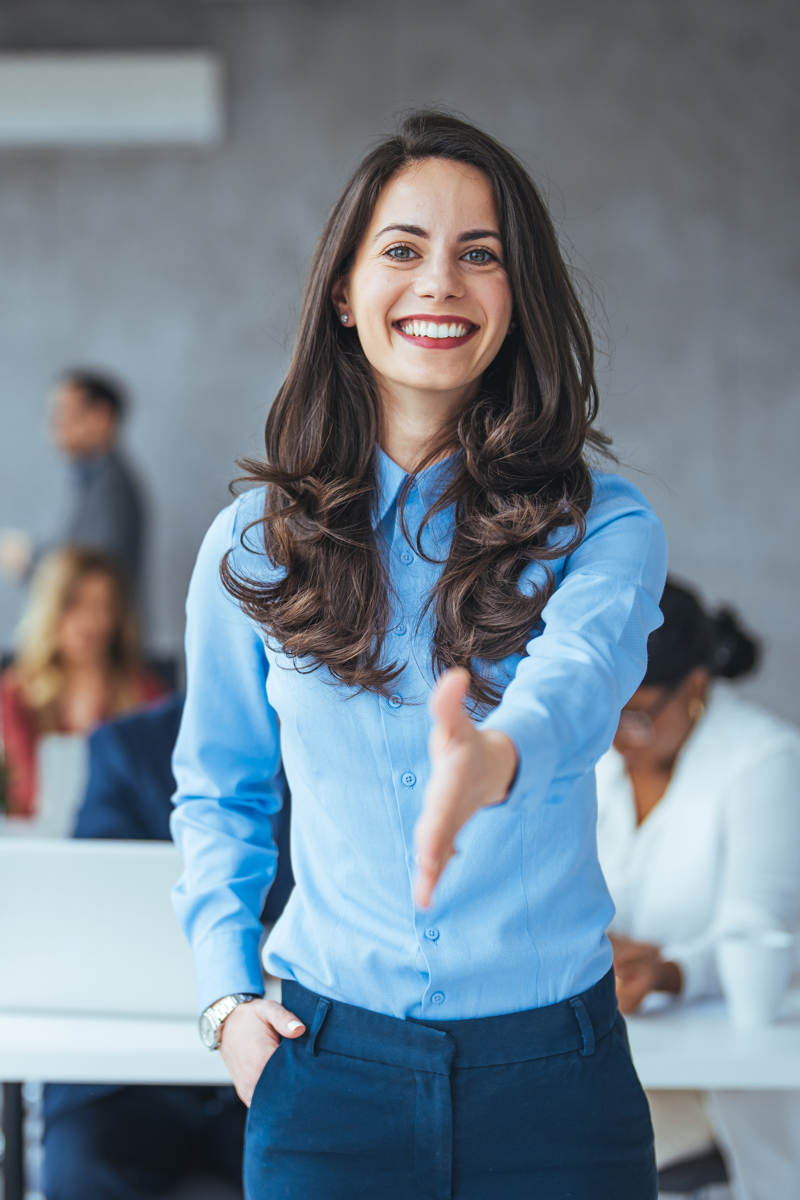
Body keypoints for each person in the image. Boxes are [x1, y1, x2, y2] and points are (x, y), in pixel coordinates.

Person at [171, 110, 668, 1199]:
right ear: (345, 295)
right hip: (321, 1073)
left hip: (555, 1086)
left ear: (516, 296)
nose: (438, 282)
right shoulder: (253, 544)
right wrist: (224, 1006)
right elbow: (218, 792)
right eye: (401, 249)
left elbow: (578, 681)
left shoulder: (606, 525)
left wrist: (495, 759)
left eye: (477, 254)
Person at [43, 693, 294, 1200]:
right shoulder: (128, 746)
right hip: (130, 1073)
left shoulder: (329, 743)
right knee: (82, 1164)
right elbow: (99, 905)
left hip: (280, 1061)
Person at [596, 578, 800, 1200]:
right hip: (622, 1060)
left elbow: (757, 933)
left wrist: (666, 972)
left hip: (722, 1086)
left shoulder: (765, 758)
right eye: (607, 711)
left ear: (696, 690)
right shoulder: (599, 754)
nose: (617, 737)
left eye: (637, 716)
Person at [0, 546, 164, 815]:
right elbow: (22, 792)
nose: (88, 620)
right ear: (51, 608)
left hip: (122, 846)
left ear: (117, 616)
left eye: (101, 606)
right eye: (73, 603)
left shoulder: (148, 693)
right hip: (39, 847)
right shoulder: (16, 692)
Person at [0, 370, 145, 591]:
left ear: (102, 416)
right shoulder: (93, 479)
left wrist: (31, 560)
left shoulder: (111, 489)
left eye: (65, 412)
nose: (55, 424)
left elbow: (95, 572)